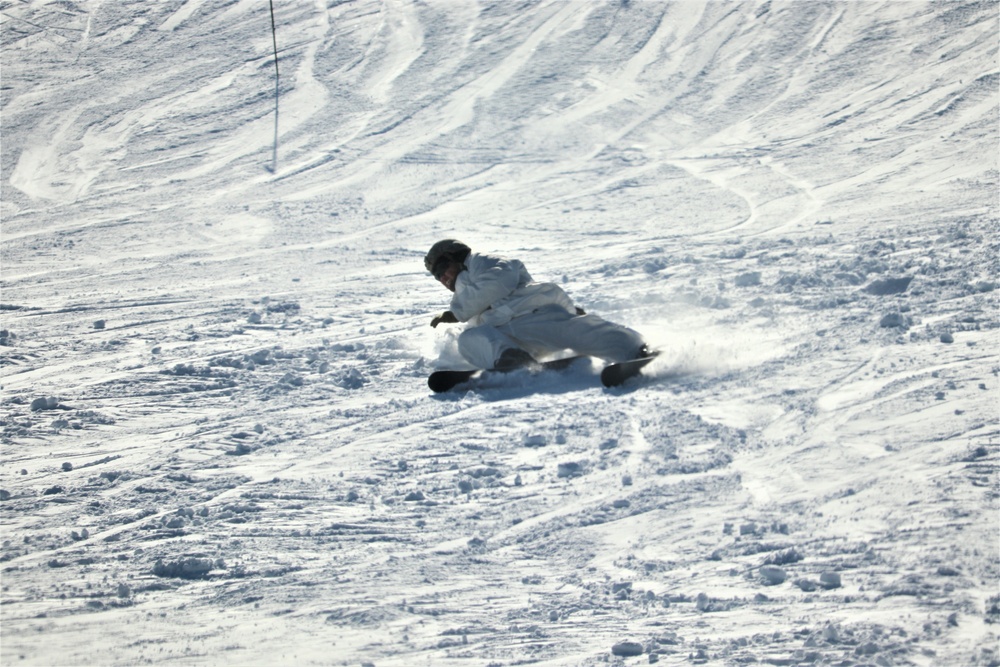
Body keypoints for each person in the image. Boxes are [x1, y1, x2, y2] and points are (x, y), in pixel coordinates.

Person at [424, 239, 651, 371]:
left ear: (457, 256)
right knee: (469, 339)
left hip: (529, 315)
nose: (441, 276)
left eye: (442, 267)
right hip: (509, 336)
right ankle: (514, 362)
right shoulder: (461, 296)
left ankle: (632, 348)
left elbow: (499, 281)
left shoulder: (481, 261)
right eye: (436, 275)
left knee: (577, 332)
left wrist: (455, 313)